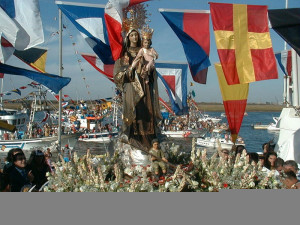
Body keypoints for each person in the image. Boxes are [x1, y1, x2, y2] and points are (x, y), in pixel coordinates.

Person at [113, 23, 161, 149]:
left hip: (145, 87)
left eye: (136, 35)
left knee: (147, 112)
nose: (134, 37)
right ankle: (134, 138)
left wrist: (148, 72)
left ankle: (150, 139)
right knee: (136, 113)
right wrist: (131, 69)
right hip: (132, 88)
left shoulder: (145, 51)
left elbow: (153, 69)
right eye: (132, 35)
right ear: (128, 38)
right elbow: (117, 76)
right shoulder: (125, 55)